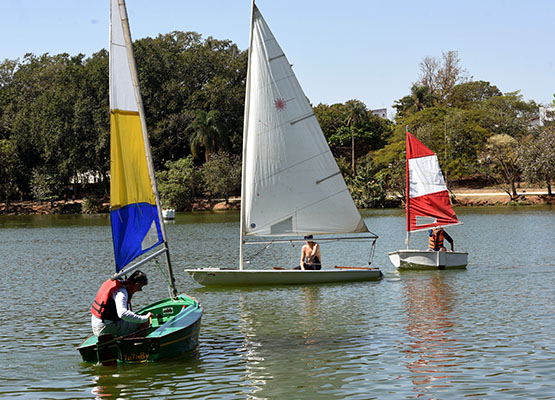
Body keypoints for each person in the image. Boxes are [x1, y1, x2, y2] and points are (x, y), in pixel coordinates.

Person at [90, 270, 153, 337]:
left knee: (136, 317)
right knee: (145, 322)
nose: (139, 290)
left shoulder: (118, 285)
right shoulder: (121, 293)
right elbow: (122, 314)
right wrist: (145, 318)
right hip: (105, 328)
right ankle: (136, 344)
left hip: (97, 324)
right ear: (136, 284)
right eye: (140, 288)